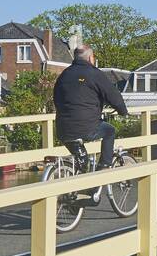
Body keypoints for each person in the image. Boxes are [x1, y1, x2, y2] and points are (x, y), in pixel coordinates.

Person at [53, 45, 130, 200]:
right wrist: (123, 111)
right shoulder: (94, 74)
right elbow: (113, 95)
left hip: (62, 128)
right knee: (109, 131)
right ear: (90, 58)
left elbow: (56, 98)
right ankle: (104, 167)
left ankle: (74, 199)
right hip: (86, 126)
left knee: (82, 160)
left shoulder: (64, 75)